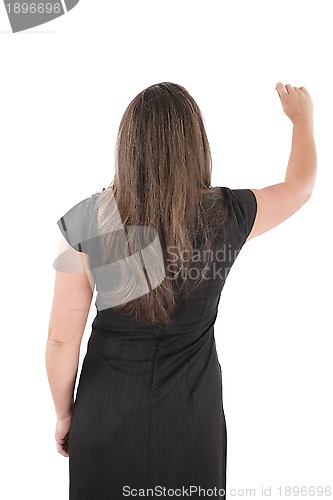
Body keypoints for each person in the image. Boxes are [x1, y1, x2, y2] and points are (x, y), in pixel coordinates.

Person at [45, 82, 316, 499]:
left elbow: (62, 340)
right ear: (196, 146)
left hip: (105, 419)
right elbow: (300, 187)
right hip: (192, 422)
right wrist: (301, 119)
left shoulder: (84, 221)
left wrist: (65, 414)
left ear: (128, 147)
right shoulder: (228, 214)